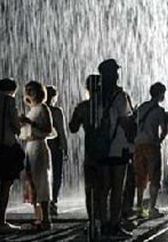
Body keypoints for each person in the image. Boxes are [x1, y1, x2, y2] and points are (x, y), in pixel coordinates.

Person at [93, 59, 135, 238]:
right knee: (118, 188)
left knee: (103, 189)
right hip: (118, 146)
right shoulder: (120, 96)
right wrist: (132, 140)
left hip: (101, 147)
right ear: (115, 74)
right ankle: (115, 225)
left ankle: (103, 224)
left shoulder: (95, 97)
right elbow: (125, 121)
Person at [0, 78, 24, 233]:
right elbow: (16, 127)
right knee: (6, 185)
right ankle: (1, 222)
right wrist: (20, 123)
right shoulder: (9, 101)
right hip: (7, 146)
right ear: (12, 90)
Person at [20, 80, 55, 231]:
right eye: (27, 90)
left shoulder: (43, 108)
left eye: (32, 90)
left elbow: (48, 129)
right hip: (30, 146)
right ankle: (38, 219)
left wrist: (30, 123)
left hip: (39, 146)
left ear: (39, 92)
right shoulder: (32, 109)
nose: (29, 92)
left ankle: (46, 219)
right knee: (32, 182)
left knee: (41, 182)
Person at [69, 74, 101, 236]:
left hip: (90, 152)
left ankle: (92, 220)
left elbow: (73, 128)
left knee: (90, 188)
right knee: (106, 187)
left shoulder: (83, 107)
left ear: (87, 88)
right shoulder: (107, 104)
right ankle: (104, 220)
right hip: (108, 151)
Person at [133, 82, 168, 218]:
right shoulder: (159, 111)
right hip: (151, 146)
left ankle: (140, 208)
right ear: (160, 94)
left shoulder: (141, 107)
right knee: (154, 177)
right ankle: (152, 208)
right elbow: (164, 130)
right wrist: (159, 140)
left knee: (140, 176)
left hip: (138, 145)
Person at [46, 85, 68, 216]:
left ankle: (45, 202)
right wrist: (65, 147)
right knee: (57, 175)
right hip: (55, 145)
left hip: (42, 145)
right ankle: (53, 201)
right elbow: (61, 131)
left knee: (44, 175)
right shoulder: (56, 111)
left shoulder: (39, 109)